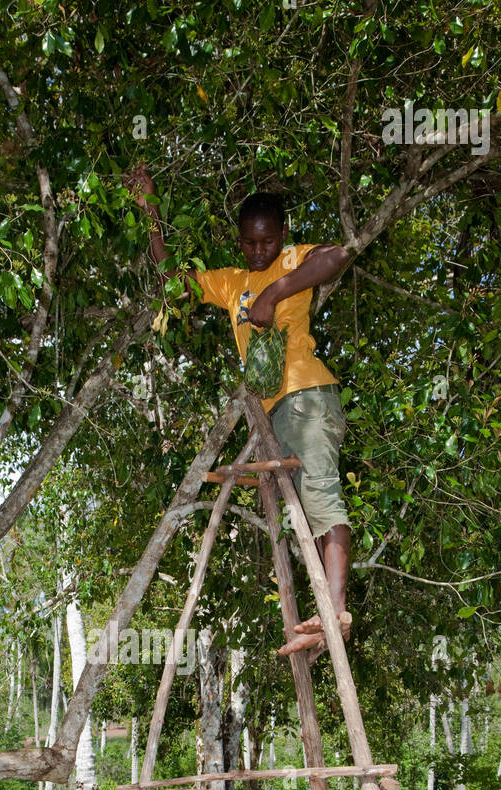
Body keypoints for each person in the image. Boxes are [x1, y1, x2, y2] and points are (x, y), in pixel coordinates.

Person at [124, 165, 353, 661]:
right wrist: (151, 214)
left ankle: (336, 609)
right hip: (276, 412)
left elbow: (337, 255)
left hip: (308, 395)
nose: (258, 252)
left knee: (321, 496)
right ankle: (324, 615)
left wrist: (274, 292)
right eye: (249, 243)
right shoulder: (231, 284)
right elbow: (173, 285)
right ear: (239, 241)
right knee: (302, 515)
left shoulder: (292, 261)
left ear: (283, 236)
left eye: (266, 242)